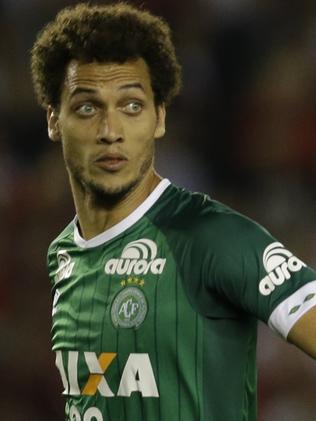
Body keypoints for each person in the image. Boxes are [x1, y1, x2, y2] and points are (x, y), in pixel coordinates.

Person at [31, 3, 316, 421]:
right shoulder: (62, 256)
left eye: (131, 106)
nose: (111, 132)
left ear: (159, 118)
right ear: (54, 120)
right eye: (88, 107)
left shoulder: (213, 236)